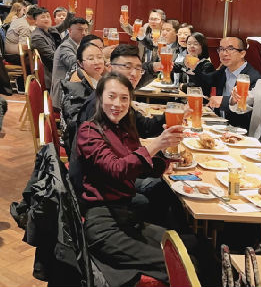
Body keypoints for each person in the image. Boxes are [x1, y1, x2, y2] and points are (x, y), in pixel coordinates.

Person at [77, 72, 186, 287]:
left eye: (124, 98)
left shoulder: (123, 128)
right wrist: (156, 144)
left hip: (127, 217)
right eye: (111, 96)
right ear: (99, 97)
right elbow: (117, 169)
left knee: (191, 246)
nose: (117, 104)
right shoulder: (89, 131)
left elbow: (138, 167)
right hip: (103, 224)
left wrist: (167, 161)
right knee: (179, 264)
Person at [201, 36, 261, 130]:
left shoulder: (252, 77)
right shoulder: (224, 70)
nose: (224, 53)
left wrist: (223, 101)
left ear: (242, 53)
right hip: (218, 125)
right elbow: (205, 82)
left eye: (230, 49)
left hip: (239, 129)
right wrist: (193, 68)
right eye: (221, 49)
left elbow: (246, 107)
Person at [59, 36, 105, 151]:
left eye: (100, 57)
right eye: (90, 58)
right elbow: (77, 123)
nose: (97, 62)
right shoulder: (77, 83)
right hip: (81, 143)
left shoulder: (97, 77)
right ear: (80, 63)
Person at [51, 17, 89, 104]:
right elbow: (75, 64)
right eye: (80, 30)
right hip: (63, 95)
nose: (84, 33)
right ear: (70, 31)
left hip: (72, 88)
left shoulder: (78, 45)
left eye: (86, 30)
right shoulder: (65, 47)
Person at [29, 6, 62, 91]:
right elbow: (52, 57)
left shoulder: (48, 31)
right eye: (43, 17)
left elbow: (65, 25)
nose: (46, 19)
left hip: (54, 69)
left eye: (48, 16)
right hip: (49, 74)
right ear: (35, 21)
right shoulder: (37, 36)